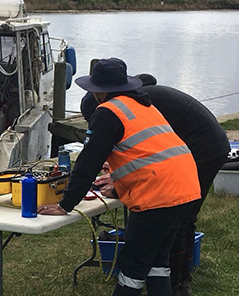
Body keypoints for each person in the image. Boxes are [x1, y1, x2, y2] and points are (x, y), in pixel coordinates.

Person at [38, 58, 201, 296]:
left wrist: (66, 204)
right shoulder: (145, 106)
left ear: (97, 91)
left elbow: (88, 161)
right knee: (157, 261)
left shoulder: (107, 112)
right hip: (184, 186)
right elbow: (145, 153)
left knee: (133, 266)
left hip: (156, 195)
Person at [85, 73, 229, 296]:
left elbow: (154, 158)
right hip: (206, 143)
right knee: (181, 217)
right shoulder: (137, 101)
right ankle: (175, 280)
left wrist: (117, 186)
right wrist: (116, 174)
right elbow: (148, 149)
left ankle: (178, 284)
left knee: (182, 216)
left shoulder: (129, 109)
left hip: (202, 148)